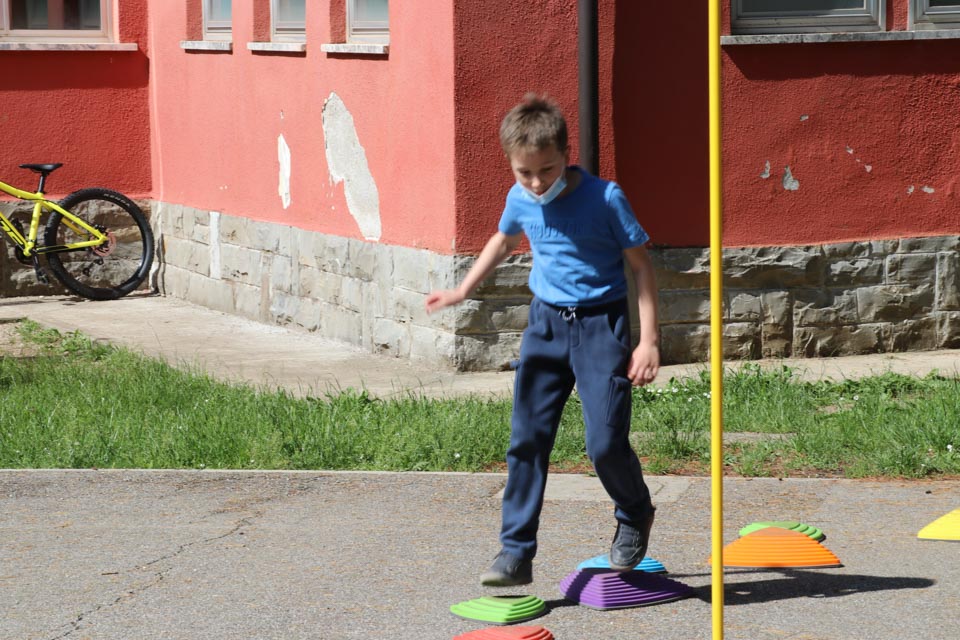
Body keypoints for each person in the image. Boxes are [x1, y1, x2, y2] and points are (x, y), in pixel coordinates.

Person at [425, 93, 660, 587]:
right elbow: (505, 239)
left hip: (600, 326)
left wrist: (648, 342)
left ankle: (634, 511)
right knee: (527, 439)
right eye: (524, 173)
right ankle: (515, 553)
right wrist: (463, 290)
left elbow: (641, 266)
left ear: (566, 155)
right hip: (545, 325)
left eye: (546, 171)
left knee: (604, 442)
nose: (535, 183)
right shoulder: (519, 199)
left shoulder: (605, 198)